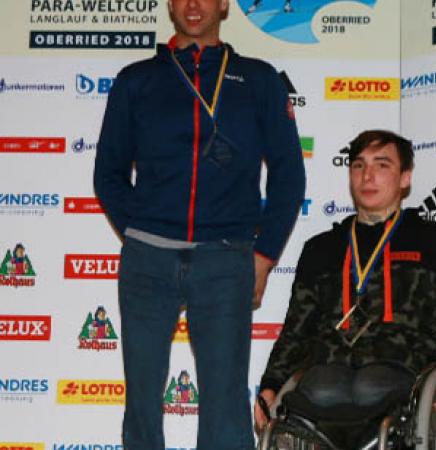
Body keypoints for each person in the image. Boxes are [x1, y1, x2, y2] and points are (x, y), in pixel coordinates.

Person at [93, 0, 306, 449]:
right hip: (148, 261)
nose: (193, 5)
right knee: (143, 405)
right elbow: (108, 172)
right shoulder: (137, 80)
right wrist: (143, 230)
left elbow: (289, 172)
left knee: (226, 406)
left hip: (226, 258)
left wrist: (264, 253)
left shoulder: (259, 79)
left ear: (224, 4)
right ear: (170, 4)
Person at [255, 130, 436, 447]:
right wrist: (270, 384)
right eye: (359, 166)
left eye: (382, 165)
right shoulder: (321, 250)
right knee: (321, 386)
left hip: (403, 374)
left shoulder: (434, 242)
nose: (368, 176)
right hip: (329, 377)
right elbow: (297, 330)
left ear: (405, 178)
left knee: (370, 384)